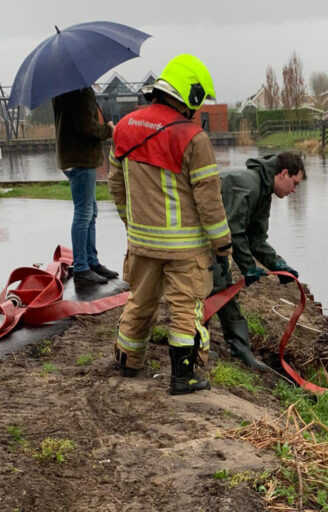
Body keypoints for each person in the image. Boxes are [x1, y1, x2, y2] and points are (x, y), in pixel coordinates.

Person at [107, 54, 231, 395]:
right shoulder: (193, 138)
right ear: (189, 96)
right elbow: (209, 200)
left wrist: (130, 223)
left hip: (142, 242)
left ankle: (128, 362)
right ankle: (183, 376)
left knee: (140, 300)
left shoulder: (124, 127)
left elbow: (116, 186)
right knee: (184, 306)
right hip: (185, 247)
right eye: (199, 101)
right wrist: (222, 245)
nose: (199, 108)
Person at [211, 152, 306, 371]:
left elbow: (256, 239)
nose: (294, 190)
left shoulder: (263, 192)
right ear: (283, 174)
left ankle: (238, 347)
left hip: (216, 241)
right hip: (199, 238)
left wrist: (277, 265)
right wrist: (248, 267)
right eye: (294, 183)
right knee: (213, 286)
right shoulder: (248, 184)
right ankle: (197, 345)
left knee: (222, 288)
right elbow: (234, 231)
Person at [53, 87, 118, 284]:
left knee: (90, 212)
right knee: (83, 213)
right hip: (82, 159)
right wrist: (109, 129)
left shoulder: (61, 90)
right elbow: (86, 127)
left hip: (71, 158)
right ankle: (82, 266)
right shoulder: (80, 90)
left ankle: (91, 261)